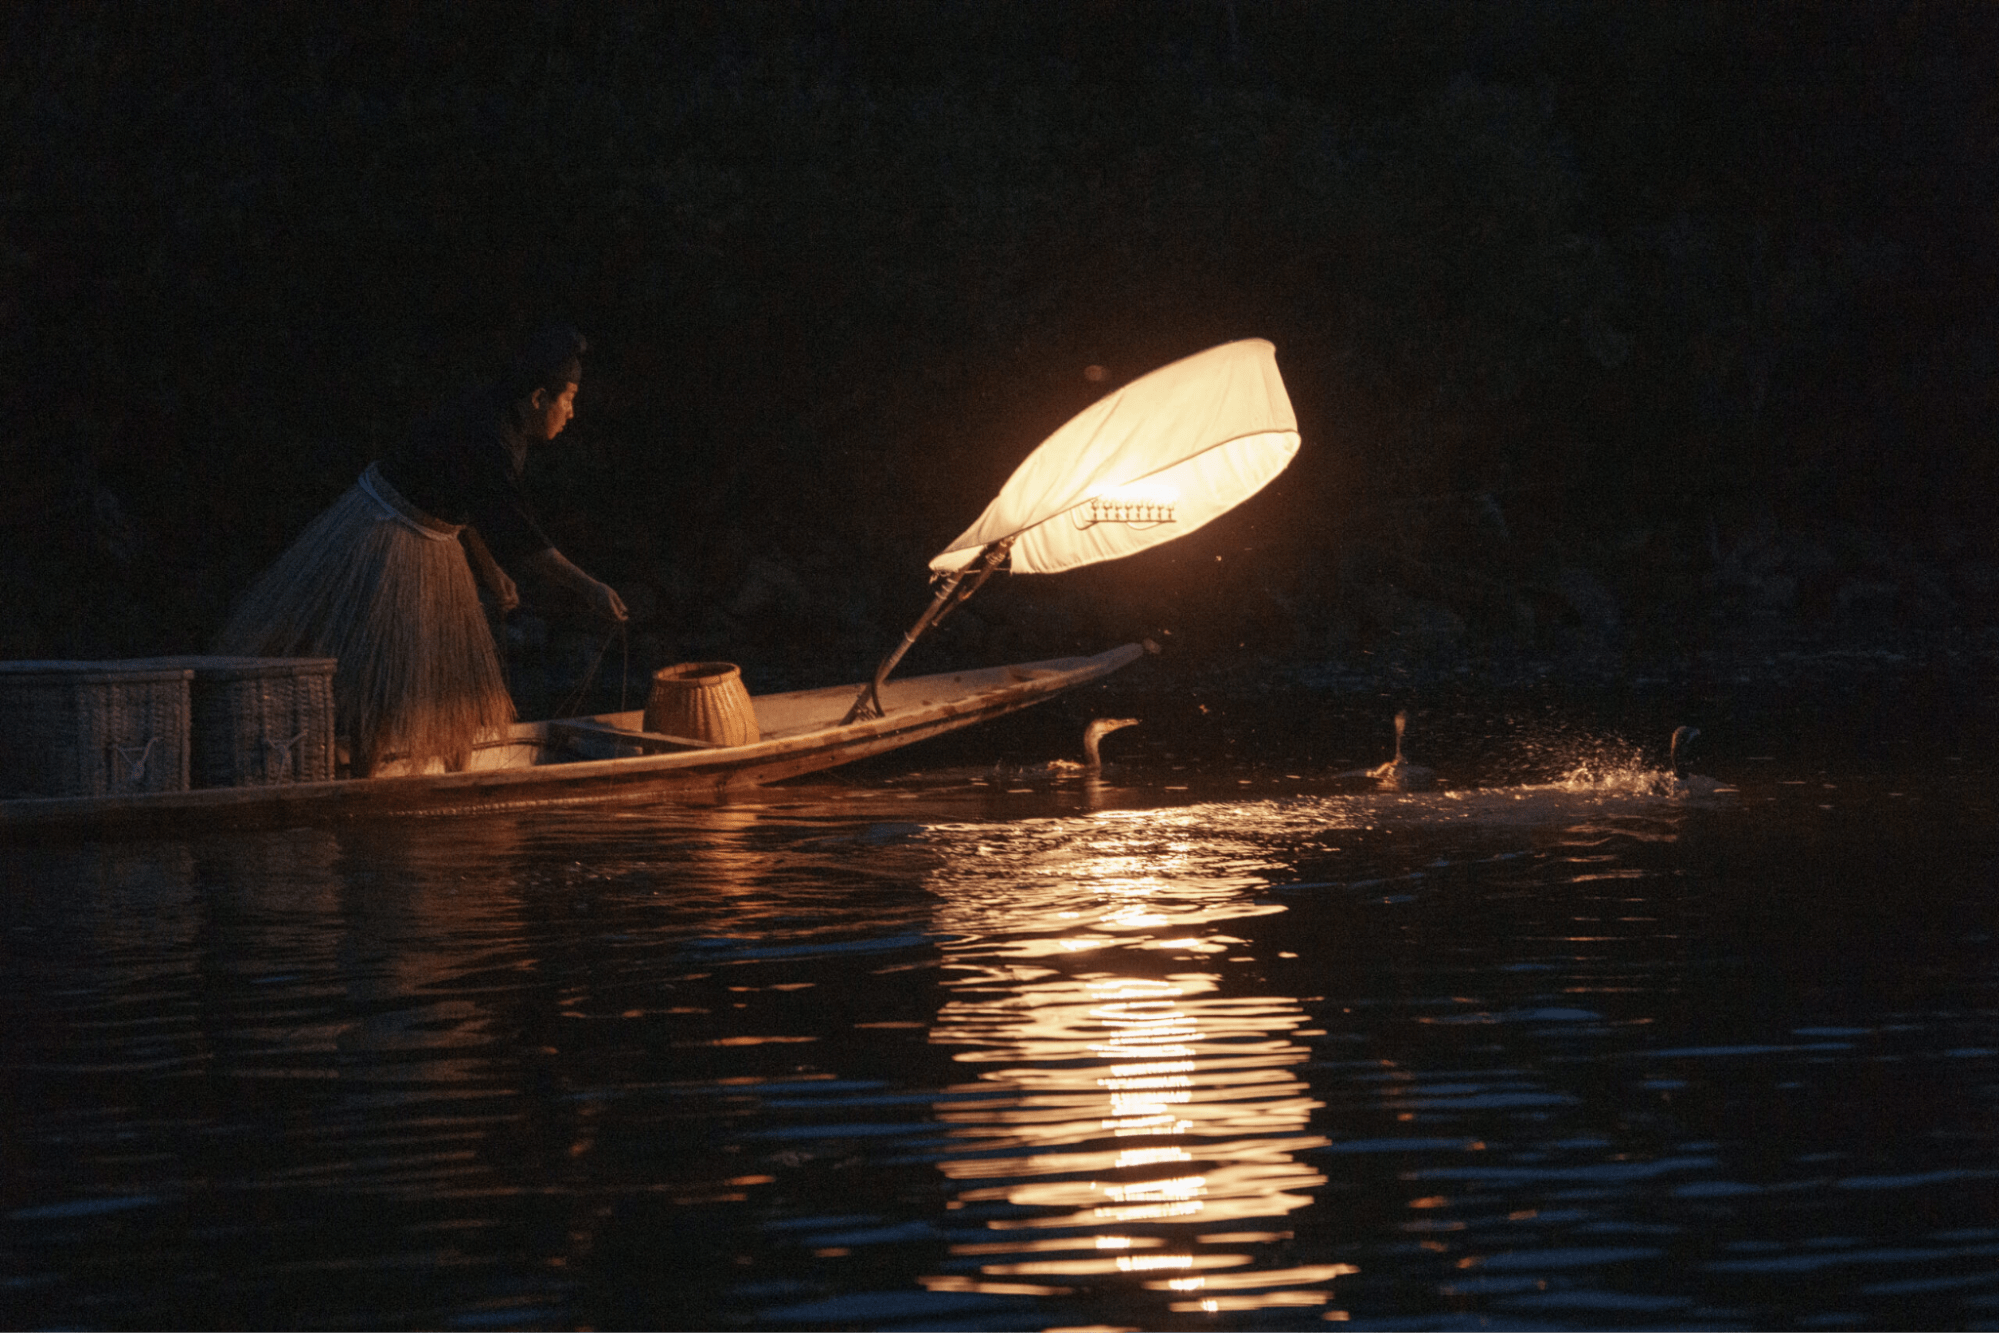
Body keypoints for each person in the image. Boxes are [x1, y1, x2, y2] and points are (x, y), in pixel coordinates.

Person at [216, 324, 627, 776]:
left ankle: (450, 773)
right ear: (536, 399)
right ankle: (359, 777)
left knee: (454, 688)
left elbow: (468, 500)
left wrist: (488, 571)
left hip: (433, 537)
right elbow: (521, 537)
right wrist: (590, 589)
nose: (571, 412)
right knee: (380, 680)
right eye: (567, 398)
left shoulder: (499, 421)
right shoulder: (488, 433)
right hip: (387, 533)